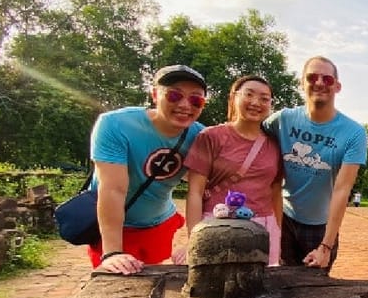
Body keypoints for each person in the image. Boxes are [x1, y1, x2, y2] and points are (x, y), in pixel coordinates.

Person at [89, 64, 207, 274]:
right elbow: (113, 189)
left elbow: (203, 190)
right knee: (117, 279)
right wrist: (112, 252)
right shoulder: (115, 125)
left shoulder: (201, 137)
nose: (184, 105)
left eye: (195, 99)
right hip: (115, 225)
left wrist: (194, 243)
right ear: (154, 94)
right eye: (174, 95)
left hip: (158, 223)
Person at [262, 56, 367, 272]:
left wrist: (326, 246)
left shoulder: (353, 133)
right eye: (312, 77)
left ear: (337, 87)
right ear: (302, 83)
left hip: (321, 225)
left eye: (327, 79)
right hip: (285, 217)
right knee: (278, 282)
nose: (319, 83)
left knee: (314, 288)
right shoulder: (282, 120)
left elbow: (342, 189)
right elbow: (249, 134)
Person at [180, 75, 283, 265]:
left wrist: (277, 233)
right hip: (218, 224)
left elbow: (276, 191)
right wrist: (194, 238)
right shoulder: (211, 136)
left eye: (264, 98)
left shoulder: (276, 144)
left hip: (264, 227)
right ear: (233, 98)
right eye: (248, 94)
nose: (255, 102)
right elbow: (195, 192)